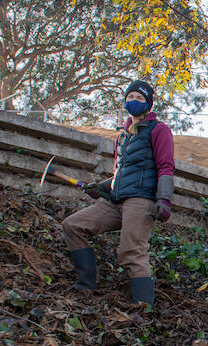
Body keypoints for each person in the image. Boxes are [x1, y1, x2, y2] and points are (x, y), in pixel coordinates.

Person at [61, 80, 175, 306]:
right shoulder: (123, 135)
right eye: (130, 97)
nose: (134, 102)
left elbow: (166, 167)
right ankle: (86, 288)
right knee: (73, 225)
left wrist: (164, 199)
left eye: (140, 98)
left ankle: (144, 309)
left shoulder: (158, 130)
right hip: (116, 200)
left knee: (131, 252)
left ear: (149, 105)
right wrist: (100, 187)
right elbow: (121, 173)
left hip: (140, 199)